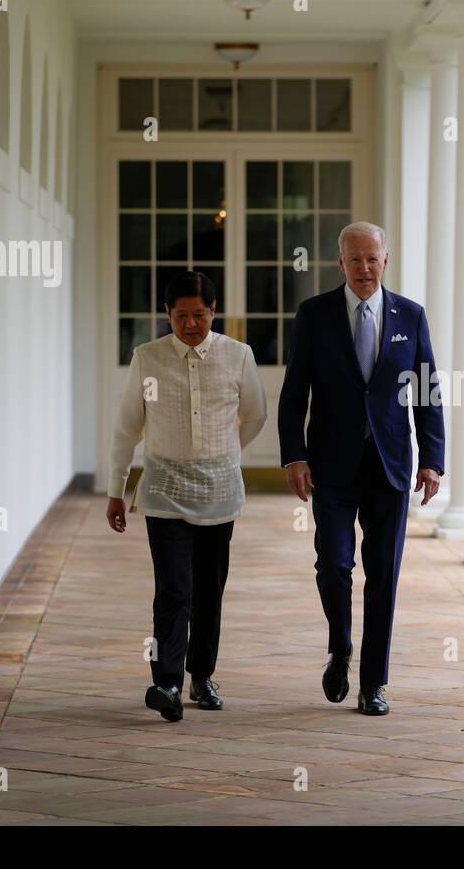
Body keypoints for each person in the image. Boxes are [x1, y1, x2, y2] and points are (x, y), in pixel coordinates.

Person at [278, 222, 445, 715]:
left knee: (384, 574)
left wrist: (433, 460)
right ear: (341, 263)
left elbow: (428, 393)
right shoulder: (314, 315)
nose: (364, 268)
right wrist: (294, 455)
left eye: (372, 258)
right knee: (333, 565)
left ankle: (374, 683)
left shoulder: (410, 317)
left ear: (386, 260)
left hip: (391, 467)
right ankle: (340, 646)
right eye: (355, 260)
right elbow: (294, 392)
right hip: (330, 464)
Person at [106, 271, 267, 722]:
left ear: (214, 312)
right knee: (173, 591)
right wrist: (116, 490)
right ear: (167, 315)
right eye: (181, 316)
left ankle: (203, 676)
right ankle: (167, 682)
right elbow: (126, 428)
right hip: (163, 491)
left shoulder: (238, 356)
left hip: (219, 492)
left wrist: (223, 452)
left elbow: (255, 415)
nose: (191, 324)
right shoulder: (147, 358)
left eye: (199, 314)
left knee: (209, 590)